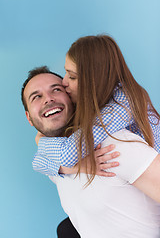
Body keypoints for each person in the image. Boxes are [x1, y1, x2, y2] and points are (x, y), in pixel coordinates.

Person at [21, 66, 160, 237]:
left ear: (72, 97)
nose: (48, 99)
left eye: (56, 89)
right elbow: (38, 162)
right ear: (29, 118)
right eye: (37, 96)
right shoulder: (54, 160)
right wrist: (71, 167)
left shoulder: (115, 145)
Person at [33, 34, 160, 185]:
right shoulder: (94, 104)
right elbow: (37, 163)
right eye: (66, 73)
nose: (64, 82)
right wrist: (70, 169)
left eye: (72, 77)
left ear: (94, 79)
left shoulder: (123, 105)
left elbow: (67, 155)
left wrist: (41, 140)